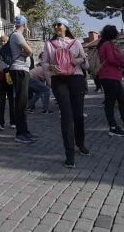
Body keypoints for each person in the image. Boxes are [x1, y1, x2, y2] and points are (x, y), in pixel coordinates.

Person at [42, 17, 89, 168]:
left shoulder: (76, 43)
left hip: (76, 78)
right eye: (54, 24)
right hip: (59, 80)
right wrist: (51, 68)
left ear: (66, 27)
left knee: (78, 114)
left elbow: (86, 63)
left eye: (59, 24)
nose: (56, 26)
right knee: (66, 116)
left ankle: (80, 143)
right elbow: (44, 63)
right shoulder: (49, 44)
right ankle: (69, 154)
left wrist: (79, 61)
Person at [96, 25, 124, 138]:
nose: (117, 34)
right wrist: (122, 63)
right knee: (111, 102)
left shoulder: (107, 43)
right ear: (112, 33)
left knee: (122, 99)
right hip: (109, 76)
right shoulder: (107, 44)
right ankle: (113, 127)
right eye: (115, 32)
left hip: (113, 76)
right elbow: (111, 58)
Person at [8, 15, 37, 144]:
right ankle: (20, 133)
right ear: (25, 25)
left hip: (20, 70)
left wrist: (26, 51)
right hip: (19, 70)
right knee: (21, 102)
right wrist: (27, 52)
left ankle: (24, 131)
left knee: (23, 102)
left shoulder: (16, 36)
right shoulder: (17, 35)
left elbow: (27, 51)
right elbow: (29, 51)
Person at [0, 34, 15, 131]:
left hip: (11, 79)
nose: (3, 42)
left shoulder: (12, 53)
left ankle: (13, 122)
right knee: (1, 101)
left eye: (5, 41)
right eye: (1, 41)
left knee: (12, 101)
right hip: (0, 79)